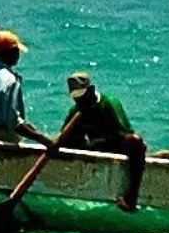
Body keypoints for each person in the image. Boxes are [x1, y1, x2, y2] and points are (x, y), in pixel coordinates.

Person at [58, 71, 146, 211]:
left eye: (82, 97)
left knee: (136, 141)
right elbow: (63, 138)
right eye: (76, 98)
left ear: (91, 90)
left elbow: (121, 137)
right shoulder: (76, 110)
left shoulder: (109, 104)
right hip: (93, 151)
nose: (79, 101)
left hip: (116, 147)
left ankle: (132, 197)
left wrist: (96, 144)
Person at [0, 29, 54, 147]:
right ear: (13, 52)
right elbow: (13, 123)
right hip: (6, 139)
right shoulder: (10, 81)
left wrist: (26, 126)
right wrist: (43, 139)